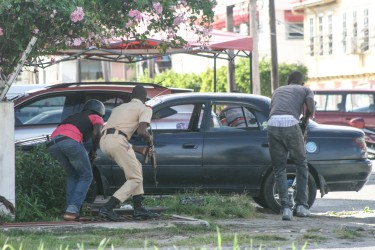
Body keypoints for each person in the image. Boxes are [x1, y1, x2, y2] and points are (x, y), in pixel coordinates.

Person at [98, 85, 160, 221]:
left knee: (136, 167)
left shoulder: (118, 108)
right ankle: (108, 208)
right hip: (118, 141)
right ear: (144, 99)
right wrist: (150, 139)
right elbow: (142, 131)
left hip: (104, 141)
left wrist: (138, 149)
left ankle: (138, 208)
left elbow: (117, 133)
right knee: (135, 178)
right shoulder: (145, 108)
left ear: (131, 97)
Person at [267, 70, 315, 221]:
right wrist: (306, 119)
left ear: (288, 82)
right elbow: (311, 108)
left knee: (279, 168)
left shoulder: (278, 90)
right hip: (290, 123)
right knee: (301, 164)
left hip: (272, 124)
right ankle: (301, 206)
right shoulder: (305, 89)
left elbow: (273, 109)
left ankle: (286, 209)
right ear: (301, 82)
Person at [47, 99, 105, 221]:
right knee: (86, 176)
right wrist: (94, 150)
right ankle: (72, 210)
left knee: (73, 175)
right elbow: (96, 133)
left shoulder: (74, 116)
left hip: (53, 143)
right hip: (70, 142)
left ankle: (68, 210)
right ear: (100, 111)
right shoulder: (96, 117)